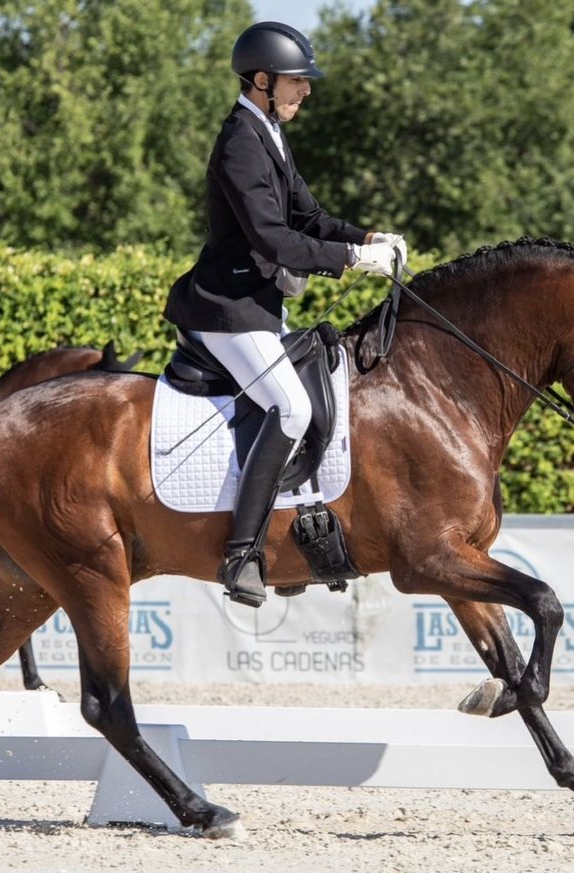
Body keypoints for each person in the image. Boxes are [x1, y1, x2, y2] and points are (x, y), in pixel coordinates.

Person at [163, 21, 407, 608]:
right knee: (290, 405)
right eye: (298, 82)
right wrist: (353, 259)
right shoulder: (239, 142)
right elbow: (274, 240)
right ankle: (241, 553)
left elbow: (308, 214)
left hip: (257, 309)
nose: (306, 92)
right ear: (263, 80)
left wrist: (366, 235)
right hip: (225, 310)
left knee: (323, 379)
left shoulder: (267, 129)